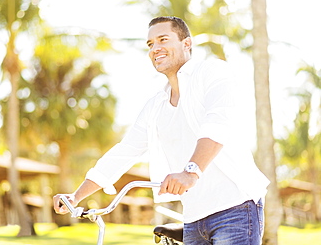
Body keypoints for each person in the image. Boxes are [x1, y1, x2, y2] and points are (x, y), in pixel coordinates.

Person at [53, 16, 270, 245]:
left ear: (187, 44)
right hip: (194, 218)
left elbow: (218, 122)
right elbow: (124, 152)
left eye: (163, 39)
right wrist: (76, 196)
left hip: (235, 207)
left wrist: (190, 172)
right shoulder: (156, 106)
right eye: (150, 44)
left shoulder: (211, 71)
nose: (155, 49)